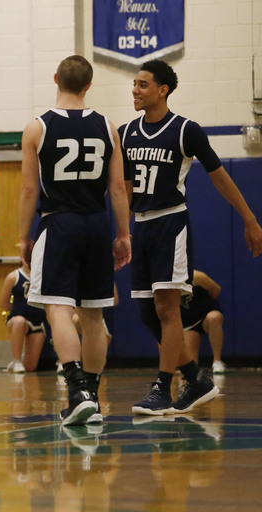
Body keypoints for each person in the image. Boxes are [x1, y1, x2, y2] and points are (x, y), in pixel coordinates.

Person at [120, 59, 262, 415]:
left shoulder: (186, 130)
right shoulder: (124, 132)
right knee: (147, 312)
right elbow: (122, 187)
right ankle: (195, 379)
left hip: (171, 224)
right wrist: (123, 230)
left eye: (142, 85)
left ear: (162, 90)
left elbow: (220, 177)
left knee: (167, 309)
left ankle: (162, 388)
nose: (134, 90)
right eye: (134, 84)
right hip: (141, 225)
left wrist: (249, 219)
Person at [19, 55, 131, 426]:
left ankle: (77, 390)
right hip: (97, 224)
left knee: (56, 308)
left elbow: (28, 190)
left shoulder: (37, 128)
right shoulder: (108, 126)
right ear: (89, 84)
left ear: (55, 79)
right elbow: (117, 187)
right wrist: (123, 233)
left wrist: (23, 237)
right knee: (94, 314)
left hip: (59, 223)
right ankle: (93, 397)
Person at [0, 261, 49, 373]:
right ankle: (16, 360)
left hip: (38, 322)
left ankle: (22, 358)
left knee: (30, 367)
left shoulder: (43, 276)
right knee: (19, 321)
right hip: (17, 319)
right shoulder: (13, 276)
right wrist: (20, 308)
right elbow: (4, 303)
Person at [181, 270, 226, 373]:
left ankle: (217, 361)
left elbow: (215, 289)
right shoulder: (167, 280)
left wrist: (204, 304)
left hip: (205, 315)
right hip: (188, 322)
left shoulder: (196, 276)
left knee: (214, 317)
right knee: (191, 366)